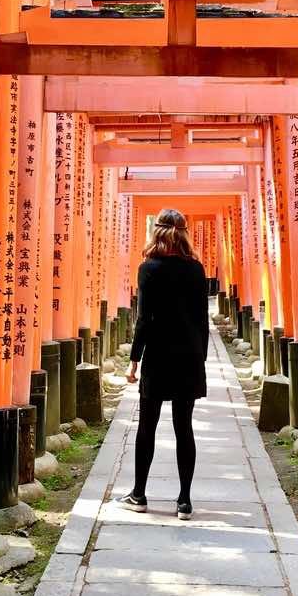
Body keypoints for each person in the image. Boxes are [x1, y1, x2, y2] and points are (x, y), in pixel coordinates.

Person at [119, 208, 209, 520]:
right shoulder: (196, 270)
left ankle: (139, 494)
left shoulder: (149, 269)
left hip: (158, 355)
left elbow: (143, 320)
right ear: (184, 233)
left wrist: (134, 361)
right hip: (189, 356)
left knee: (148, 425)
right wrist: (202, 358)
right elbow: (201, 320)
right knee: (183, 427)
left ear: (156, 232)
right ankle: (184, 501)